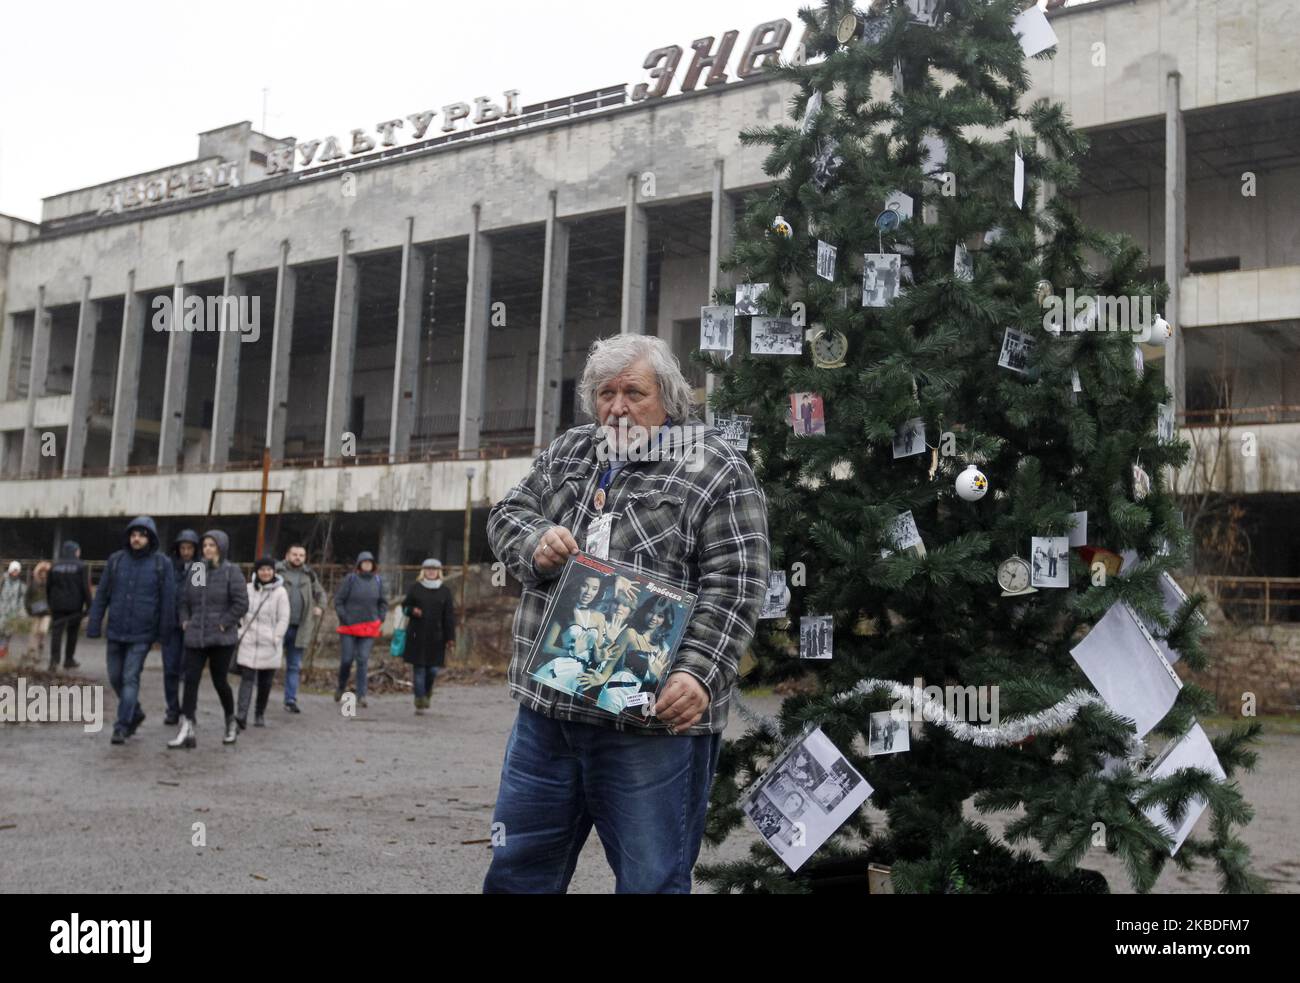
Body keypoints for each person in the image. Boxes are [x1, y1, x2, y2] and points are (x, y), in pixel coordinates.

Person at [483, 332, 769, 894]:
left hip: (650, 725)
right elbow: (506, 512)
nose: (618, 407)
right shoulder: (569, 451)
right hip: (549, 717)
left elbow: (736, 585)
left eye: (634, 392)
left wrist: (697, 673)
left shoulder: (717, 466)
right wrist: (535, 540)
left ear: (668, 397)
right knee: (517, 874)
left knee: (651, 882)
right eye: (606, 393)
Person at [86, 517, 176, 745]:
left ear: (150, 538)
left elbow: (168, 601)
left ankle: (122, 726)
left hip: (142, 633)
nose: (137, 538)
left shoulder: (161, 564)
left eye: (142, 535)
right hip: (116, 630)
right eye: (133, 534)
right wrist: (94, 624)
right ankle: (134, 712)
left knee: (129, 677)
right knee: (115, 676)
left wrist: (164, 634)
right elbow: (102, 595)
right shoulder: (116, 560)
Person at [170, 529, 248, 749]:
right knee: (191, 679)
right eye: (205, 546)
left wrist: (224, 622)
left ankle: (230, 721)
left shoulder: (231, 571)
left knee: (219, 681)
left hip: (221, 637)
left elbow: (241, 603)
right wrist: (185, 620)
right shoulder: (198, 569)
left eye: (212, 545)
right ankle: (187, 727)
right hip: (196, 634)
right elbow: (185, 600)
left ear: (221, 548)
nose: (207, 550)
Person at [235, 557, 290, 730]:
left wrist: (276, 637)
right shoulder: (247, 589)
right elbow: (239, 611)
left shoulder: (280, 592)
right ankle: (241, 715)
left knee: (265, 682)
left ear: (274, 571)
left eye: (269, 569)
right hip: (249, 640)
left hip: (269, 643)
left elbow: (284, 618)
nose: (265, 573)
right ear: (256, 571)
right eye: (261, 569)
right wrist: (239, 631)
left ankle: (259, 713)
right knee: (247, 679)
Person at [400, 558, 456, 714]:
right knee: (419, 669)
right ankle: (419, 700)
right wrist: (413, 611)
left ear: (438, 572)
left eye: (434, 569)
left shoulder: (445, 591)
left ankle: (427, 692)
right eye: (428, 569)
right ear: (423, 571)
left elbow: (449, 617)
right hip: (417, 635)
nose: (431, 572)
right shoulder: (415, 588)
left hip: (437, 637)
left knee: (432, 671)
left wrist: (451, 638)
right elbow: (405, 606)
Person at [276, 544, 325, 714]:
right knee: (270, 663)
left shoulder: (309, 575)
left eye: (301, 555)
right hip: (278, 626)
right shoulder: (277, 572)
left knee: (294, 666)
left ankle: (290, 700)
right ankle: (261, 695)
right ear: (287, 555)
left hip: (300, 628)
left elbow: (321, 594)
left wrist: (320, 606)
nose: (298, 558)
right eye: (295, 554)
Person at [334, 551, 386, 708]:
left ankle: (361, 695)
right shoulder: (350, 580)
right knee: (347, 660)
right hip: (349, 627)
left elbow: (383, 602)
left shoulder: (378, 581)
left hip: (369, 627)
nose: (367, 565)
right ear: (359, 564)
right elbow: (339, 601)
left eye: (370, 563)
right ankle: (341, 687)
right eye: (364, 563)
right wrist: (345, 617)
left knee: (362, 659)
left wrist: (380, 617)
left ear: (373, 565)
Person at [163, 530, 200, 725]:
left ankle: (188, 709)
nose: (186, 552)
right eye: (183, 548)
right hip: (170, 624)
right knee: (170, 669)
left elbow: (197, 596)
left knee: (189, 670)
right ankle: (172, 708)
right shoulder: (169, 567)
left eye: (190, 548)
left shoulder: (198, 568)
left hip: (190, 625)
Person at [47, 541, 91, 671]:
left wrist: (50, 602)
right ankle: (68, 659)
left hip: (57, 605)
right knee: (72, 633)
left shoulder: (54, 565)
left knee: (56, 632)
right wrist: (89, 605)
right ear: (75, 551)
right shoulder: (81, 566)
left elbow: (49, 586)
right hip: (74, 606)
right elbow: (85, 587)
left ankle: (54, 661)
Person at [1, 561, 29, 661]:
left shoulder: (21, 586)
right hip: (1, 611)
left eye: (17, 571)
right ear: (10, 570)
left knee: (8, 633)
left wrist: (22, 614)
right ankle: (2, 650)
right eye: (13, 570)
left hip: (12, 614)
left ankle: (3, 650)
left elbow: (21, 601)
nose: (15, 573)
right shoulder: (2, 581)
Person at [26, 561, 52, 661]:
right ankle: (32, 651)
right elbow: (27, 597)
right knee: (34, 631)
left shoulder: (50, 585)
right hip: (35, 611)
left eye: (46, 572)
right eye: (42, 572)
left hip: (47, 612)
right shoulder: (33, 584)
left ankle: (40, 644)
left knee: (43, 630)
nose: (43, 574)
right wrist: (29, 608)